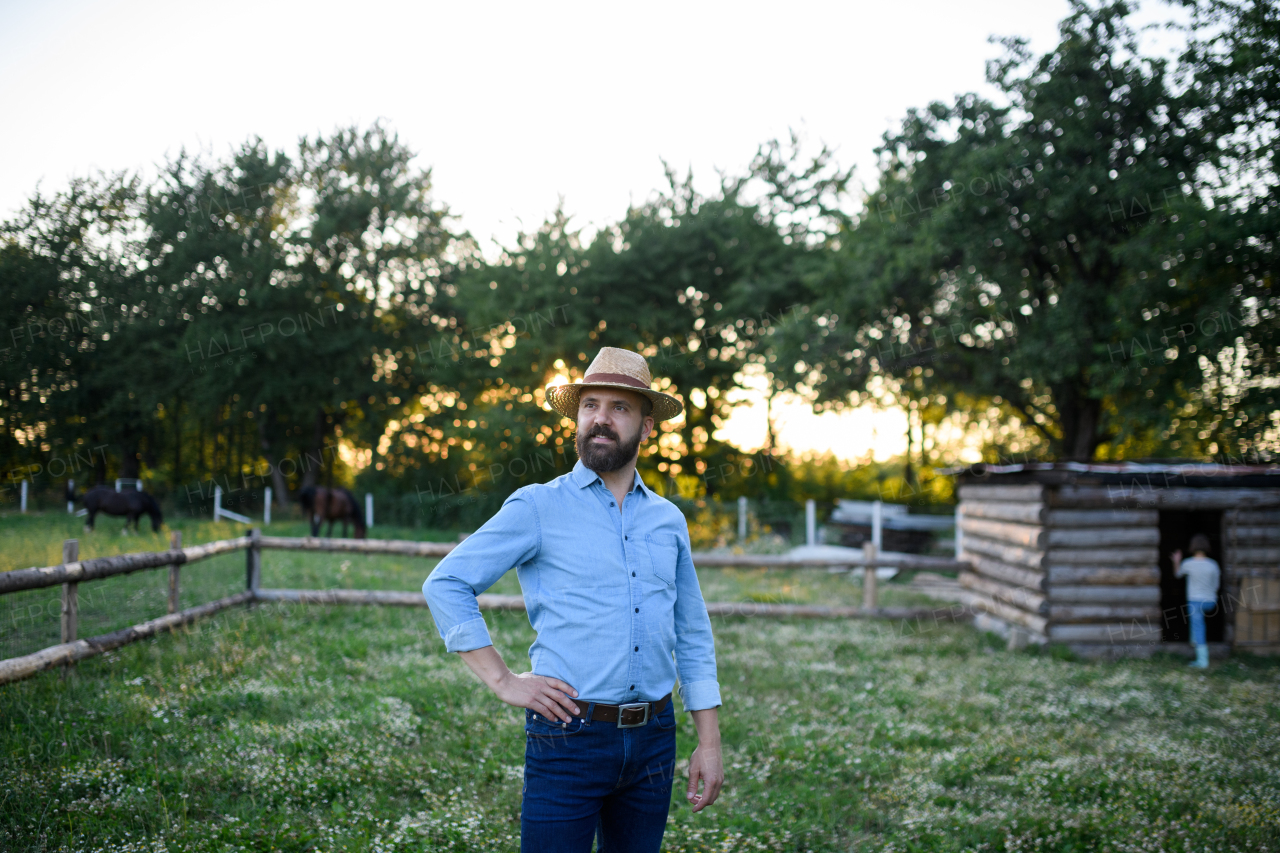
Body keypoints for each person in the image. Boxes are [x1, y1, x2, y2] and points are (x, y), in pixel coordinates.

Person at [422, 347, 723, 853]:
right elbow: (446, 583)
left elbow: (691, 631)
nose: (600, 419)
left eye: (619, 408)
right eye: (590, 406)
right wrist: (502, 680)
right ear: (577, 417)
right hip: (567, 736)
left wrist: (709, 743)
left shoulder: (668, 520)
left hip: (654, 740)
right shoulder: (538, 506)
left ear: (647, 427)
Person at [1173, 533, 1220, 669]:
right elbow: (1216, 585)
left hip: (1195, 602)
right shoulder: (1213, 564)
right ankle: (1195, 641)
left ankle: (1202, 661)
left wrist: (1176, 560)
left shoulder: (1188, 563)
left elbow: (1177, 574)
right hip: (1211, 602)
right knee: (1198, 624)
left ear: (1192, 547)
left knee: (1198, 628)